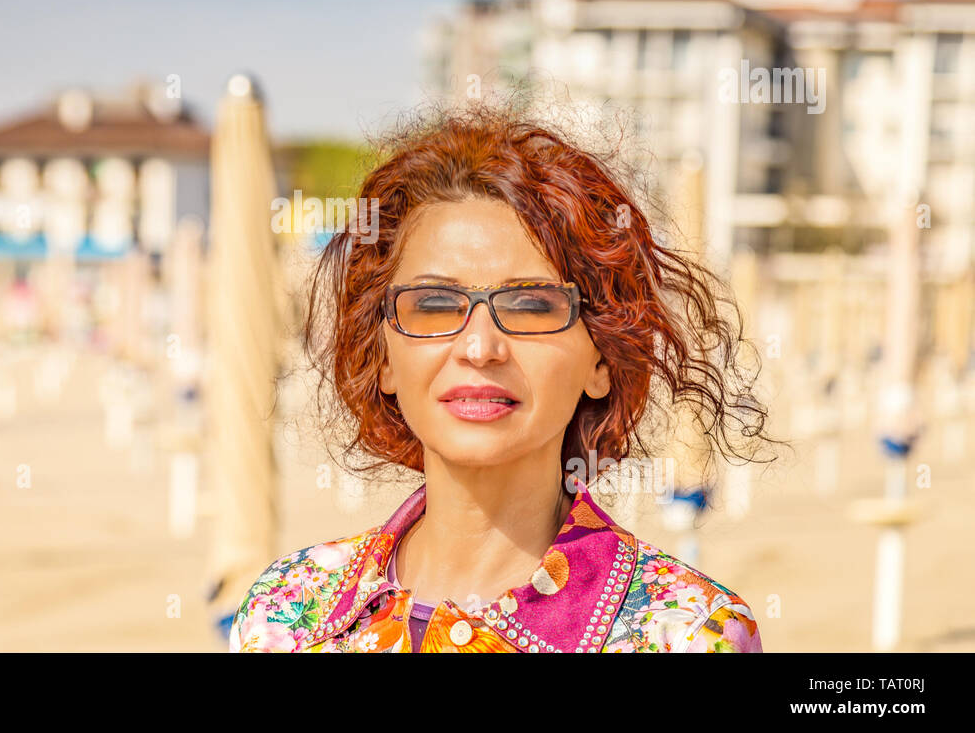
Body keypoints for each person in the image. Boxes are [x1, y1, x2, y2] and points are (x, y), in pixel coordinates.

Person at [229, 90, 784, 653]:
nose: (479, 346)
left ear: (601, 357)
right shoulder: (287, 612)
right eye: (434, 303)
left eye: (532, 305)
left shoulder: (689, 632)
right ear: (384, 356)